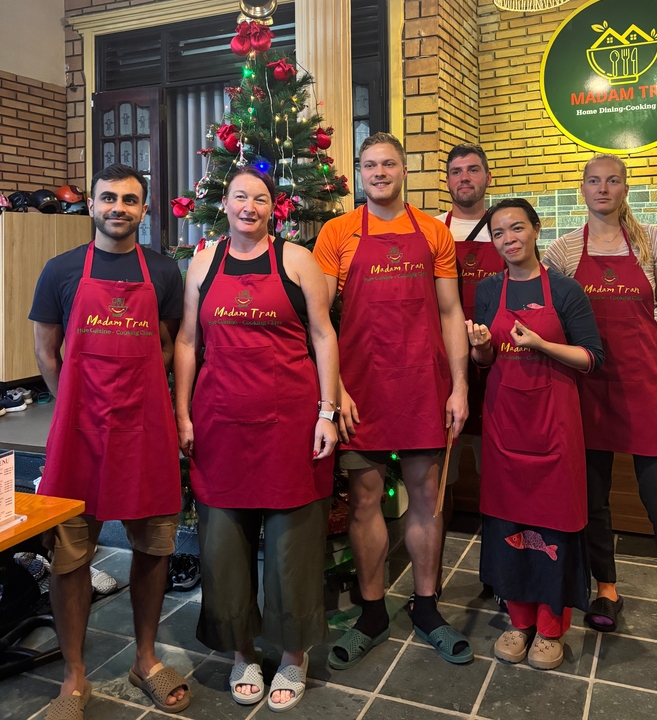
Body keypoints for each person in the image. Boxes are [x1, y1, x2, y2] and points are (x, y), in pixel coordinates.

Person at [174, 166, 338, 712]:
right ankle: (242, 652)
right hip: (219, 425)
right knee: (222, 545)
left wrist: (327, 411)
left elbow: (322, 335)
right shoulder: (204, 262)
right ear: (225, 202)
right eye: (240, 195)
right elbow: (188, 342)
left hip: (291, 426)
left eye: (261, 198)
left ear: (274, 208)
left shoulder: (296, 260)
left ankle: (293, 656)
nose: (250, 205)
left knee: (294, 544)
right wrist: (183, 413)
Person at [31, 164, 189, 717]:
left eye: (129, 200)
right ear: (91, 205)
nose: (117, 207)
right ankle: (74, 676)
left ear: (144, 210)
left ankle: (145, 658)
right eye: (107, 198)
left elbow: (171, 345)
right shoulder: (60, 270)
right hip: (78, 435)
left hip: (146, 430)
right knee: (71, 555)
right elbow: (46, 351)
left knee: (153, 547)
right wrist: (74, 400)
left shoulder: (165, 272)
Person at [313, 132, 472, 669]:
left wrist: (459, 385)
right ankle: (374, 611)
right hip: (361, 390)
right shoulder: (337, 234)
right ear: (359, 172)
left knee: (427, 496)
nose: (379, 172)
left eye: (388, 164)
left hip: (424, 385)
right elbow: (319, 321)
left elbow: (451, 313)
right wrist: (334, 390)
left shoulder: (433, 233)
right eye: (369, 165)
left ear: (404, 169)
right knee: (365, 500)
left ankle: (427, 607)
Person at [543, 155, 657, 657]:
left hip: (648, 388)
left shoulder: (654, 242)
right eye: (594, 180)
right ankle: (605, 589)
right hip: (586, 393)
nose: (603, 188)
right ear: (582, 188)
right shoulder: (564, 250)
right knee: (593, 504)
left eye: (612, 180)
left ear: (625, 186)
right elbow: (551, 320)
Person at [467, 198, 603, 670]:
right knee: (509, 522)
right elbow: (484, 363)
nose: (508, 239)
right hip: (505, 424)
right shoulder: (488, 292)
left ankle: (550, 627)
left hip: (555, 427)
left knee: (554, 525)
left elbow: (592, 357)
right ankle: (519, 619)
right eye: (499, 232)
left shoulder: (566, 291)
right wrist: (481, 349)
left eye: (517, 228)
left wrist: (542, 343)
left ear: (536, 229)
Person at [434, 144, 504, 593]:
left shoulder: (505, 227)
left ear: (487, 177)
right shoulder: (432, 231)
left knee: (498, 479)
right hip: (443, 370)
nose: (465, 178)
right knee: (440, 482)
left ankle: (499, 576)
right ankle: (431, 581)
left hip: (500, 370)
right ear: (447, 181)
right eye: (456, 171)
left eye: (473, 170)